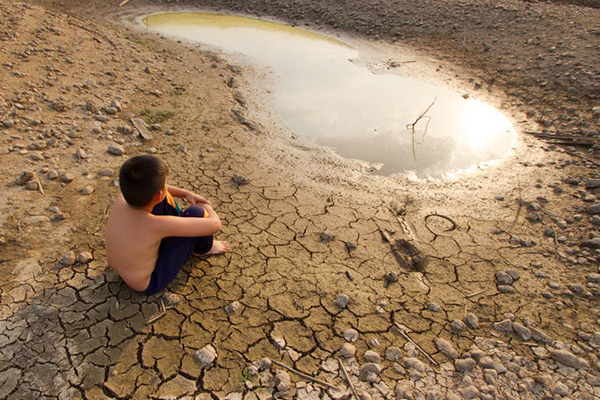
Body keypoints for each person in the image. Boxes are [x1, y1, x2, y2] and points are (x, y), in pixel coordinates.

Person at [105, 155, 229, 294]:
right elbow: (215, 224)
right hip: (149, 282)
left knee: (162, 199)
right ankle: (204, 248)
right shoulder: (156, 225)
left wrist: (185, 193)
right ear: (158, 193)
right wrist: (206, 206)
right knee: (196, 212)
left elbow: (158, 190)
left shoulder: (123, 198)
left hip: (121, 268)